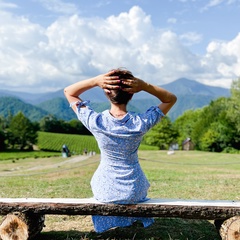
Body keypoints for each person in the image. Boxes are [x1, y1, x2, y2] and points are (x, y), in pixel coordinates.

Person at [64, 68, 177, 233]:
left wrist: (96, 80)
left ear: (106, 92)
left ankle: (110, 226)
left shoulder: (96, 121)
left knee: (104, 194)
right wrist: (144, 85)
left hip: (105, 189)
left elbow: (69, 92)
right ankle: (132, 224)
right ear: (132, 94)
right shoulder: (140, 123)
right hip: (134, 189)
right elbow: (170, 99)